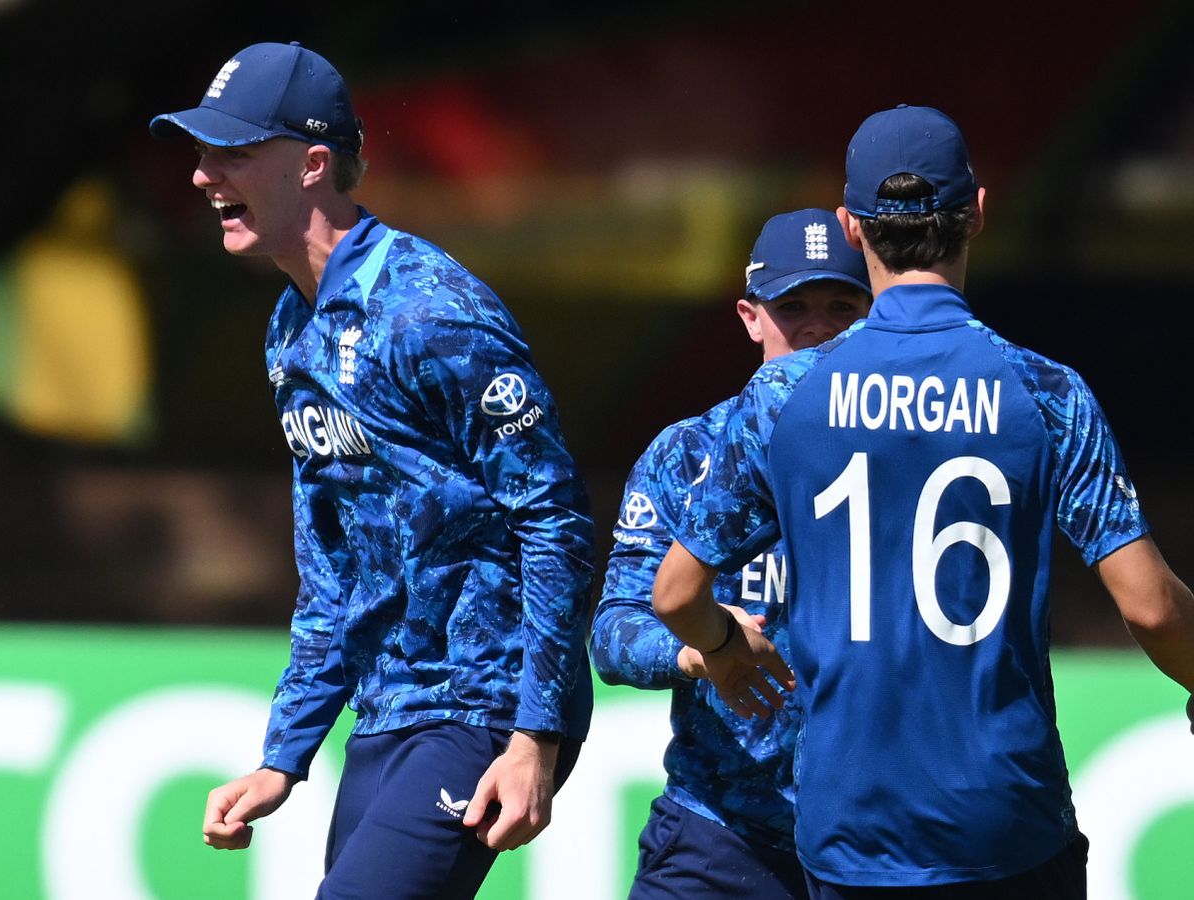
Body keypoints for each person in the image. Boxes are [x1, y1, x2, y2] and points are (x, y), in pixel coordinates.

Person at [651, 104, 1194, 897]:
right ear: (977, 213)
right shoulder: (1046, 393)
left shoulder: (784, 395)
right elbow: (1150, 608)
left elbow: (676, 593)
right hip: (1007, 822)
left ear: (852, 226)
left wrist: (729, 652)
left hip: (848, 829)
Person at [150, 41, 594, 898]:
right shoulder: (290, 326)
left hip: (482, 707)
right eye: (201, 153)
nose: (205, 176)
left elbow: (554, 518)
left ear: (315, 165)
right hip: (385, 713)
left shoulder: (430, 308)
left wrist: (535, 736)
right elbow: (332, 564)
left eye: (233, 153)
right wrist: (284, 755)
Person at [594, 209, 870, 900]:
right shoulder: (685, 454)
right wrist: (699, 652)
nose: (818, 326)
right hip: (718, 830)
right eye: (793, 306)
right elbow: (614, 629)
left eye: (842, 305)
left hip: (877, 835)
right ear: (750, 317)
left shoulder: (911, 453)